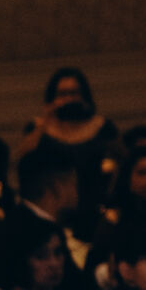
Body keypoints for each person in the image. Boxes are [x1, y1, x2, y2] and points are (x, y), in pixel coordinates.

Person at [20, 65, 119, 226]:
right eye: (63, 94)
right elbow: (23, 158)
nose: (69, 99)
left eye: (74, 93)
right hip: (51, 208)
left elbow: (121, 161)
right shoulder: (40, 127)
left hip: (93, 207)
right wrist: (46, 119)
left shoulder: (101, 127)